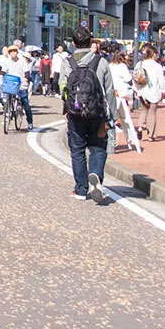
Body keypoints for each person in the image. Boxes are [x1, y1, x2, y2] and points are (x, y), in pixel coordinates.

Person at [59, 26, 116, 202]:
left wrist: (67, 108)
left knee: (77, 149)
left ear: (74, 43)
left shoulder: (67, 62)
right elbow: (109, 91)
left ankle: (81, 189)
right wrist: (112, 116)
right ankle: (96, 175)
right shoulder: (101, 62)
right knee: (98, 146)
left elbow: (62, 87)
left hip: (75, 113)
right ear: (91, 42)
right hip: (97, 112)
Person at [108, 51, 141, 153]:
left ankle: (111, 142)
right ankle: (131, 140)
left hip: (111, 92)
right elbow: (128, 78)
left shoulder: (110, 65)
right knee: (125, 118)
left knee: (111, 115)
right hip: (121, 93)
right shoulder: (122, 66)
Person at [133, 45, 165, 142]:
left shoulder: (140, 64)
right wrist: (164, 91)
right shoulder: (157, 66)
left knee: (143, 110)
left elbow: (135, 77)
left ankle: (140, 126)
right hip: (153, 91)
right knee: (152, 112)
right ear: (154, 54)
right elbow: (161, 80)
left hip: (142, 91)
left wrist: (136, 90)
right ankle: (150, 135)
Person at [0, 44, 35, 127]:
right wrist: (1, 75)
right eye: (10, 52)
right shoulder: (7, 62)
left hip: (21, 84)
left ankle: (30, 122)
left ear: (17, 52)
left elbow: (27, 72)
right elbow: (3, 71)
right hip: (11, 84)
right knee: (6, 99)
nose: (12, 53)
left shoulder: (22, 61)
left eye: (14, 51)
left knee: (25, 103)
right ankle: (7, 115)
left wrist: (26, 78)